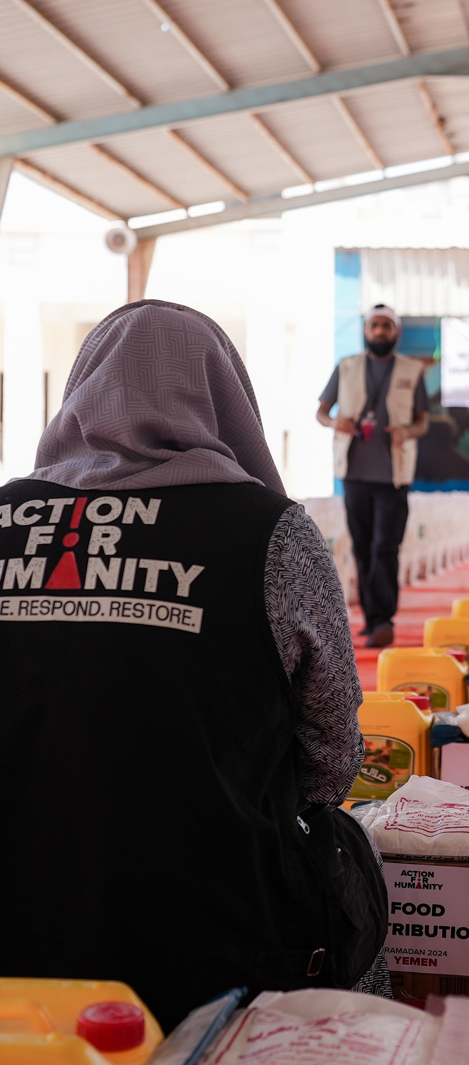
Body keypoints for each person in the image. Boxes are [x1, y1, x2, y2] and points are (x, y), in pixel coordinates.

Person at [0, 300, 388, 1030]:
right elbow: (333, 765)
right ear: (221, 394)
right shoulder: (272, 531)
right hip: (218, 950)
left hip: (19, 942)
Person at [317, 305, 429, 648]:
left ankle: (383, 619)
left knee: (385, 546)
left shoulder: (412, 370)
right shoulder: (347, 367)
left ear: (396, 332)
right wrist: (337, 422)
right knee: (363, 547)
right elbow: (322, 412)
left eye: (387, 326)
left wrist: (406, 432)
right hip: (354, 473)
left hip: (393, 475)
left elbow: (423, 422)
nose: (380, 331)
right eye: (375, 325)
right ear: (366, 330)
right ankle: (370, 618)